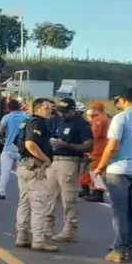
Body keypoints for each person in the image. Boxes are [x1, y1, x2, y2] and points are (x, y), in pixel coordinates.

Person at [91, 88, 132, 263]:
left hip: (120, 169)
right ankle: (131, 246)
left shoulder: (121, 118)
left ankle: (119, 249)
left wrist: (100, 167)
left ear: (122, 100)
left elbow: (112, 146)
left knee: (120, 211)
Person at [14, 98, 59, 252]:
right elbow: (30, 144)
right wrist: (45, 158)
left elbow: (16, 143)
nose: (50, 111)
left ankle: (22, 236)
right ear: (38, 109)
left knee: (24, 202)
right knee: (39, 203)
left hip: (24, 165)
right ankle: (38, 240)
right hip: (34, 168)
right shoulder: (38, 123)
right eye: (46, 108)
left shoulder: (27, 122)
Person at [47, 98, 93, 242]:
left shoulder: (82, 125)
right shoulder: (59, 122)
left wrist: (66, 145)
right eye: (61, 112)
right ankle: (47, 226)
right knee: (49, 196)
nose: (62, 115)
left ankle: (69, 230)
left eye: (65, 112)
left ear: (73, 111)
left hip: (69, 161)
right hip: (54, 160)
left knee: (69, 198)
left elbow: (89, 146)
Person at [0, 99, 29, 200]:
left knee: (5, 172)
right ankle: (24, 194)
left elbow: (0, 132)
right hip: (22, 149)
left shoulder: (7, 117)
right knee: (22, 174)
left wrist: (2, 139)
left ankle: (1, 192)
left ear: (8, 108)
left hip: (8, 148)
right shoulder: (26, 117)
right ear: (20, 107)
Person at [80, 101, 111, 202]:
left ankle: (97, 192)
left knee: (95, 170)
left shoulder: (98, 120)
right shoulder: (106, 118)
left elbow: (94, 134)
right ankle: (96, 191)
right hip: (102, 146)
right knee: (96, 170)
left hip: (97, 147)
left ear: (95, 109)